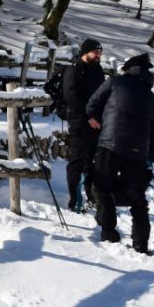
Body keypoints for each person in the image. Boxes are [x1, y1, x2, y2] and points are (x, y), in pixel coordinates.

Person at [85, 52, 154, 254]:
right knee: (138, 200)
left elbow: (92, 105)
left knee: (101, 186)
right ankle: (141, 244)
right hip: (138, 152)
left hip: (109, 144)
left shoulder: (114, 82)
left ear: (128, 69)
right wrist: (148, 159)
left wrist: (96, 120)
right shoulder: (151, 98)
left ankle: (109, 232)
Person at [63, 38, 105, 212]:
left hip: (97, 123)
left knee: (94, 161)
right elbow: (71, 97)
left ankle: (92, 197)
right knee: (77, 161)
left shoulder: (98, 70)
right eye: (96, 52)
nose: (98, 55)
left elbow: (103, 95)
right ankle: (74, 200)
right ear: (85, 52)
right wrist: (88, 116)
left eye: (100, 52)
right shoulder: (74, 70)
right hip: (79, 122)